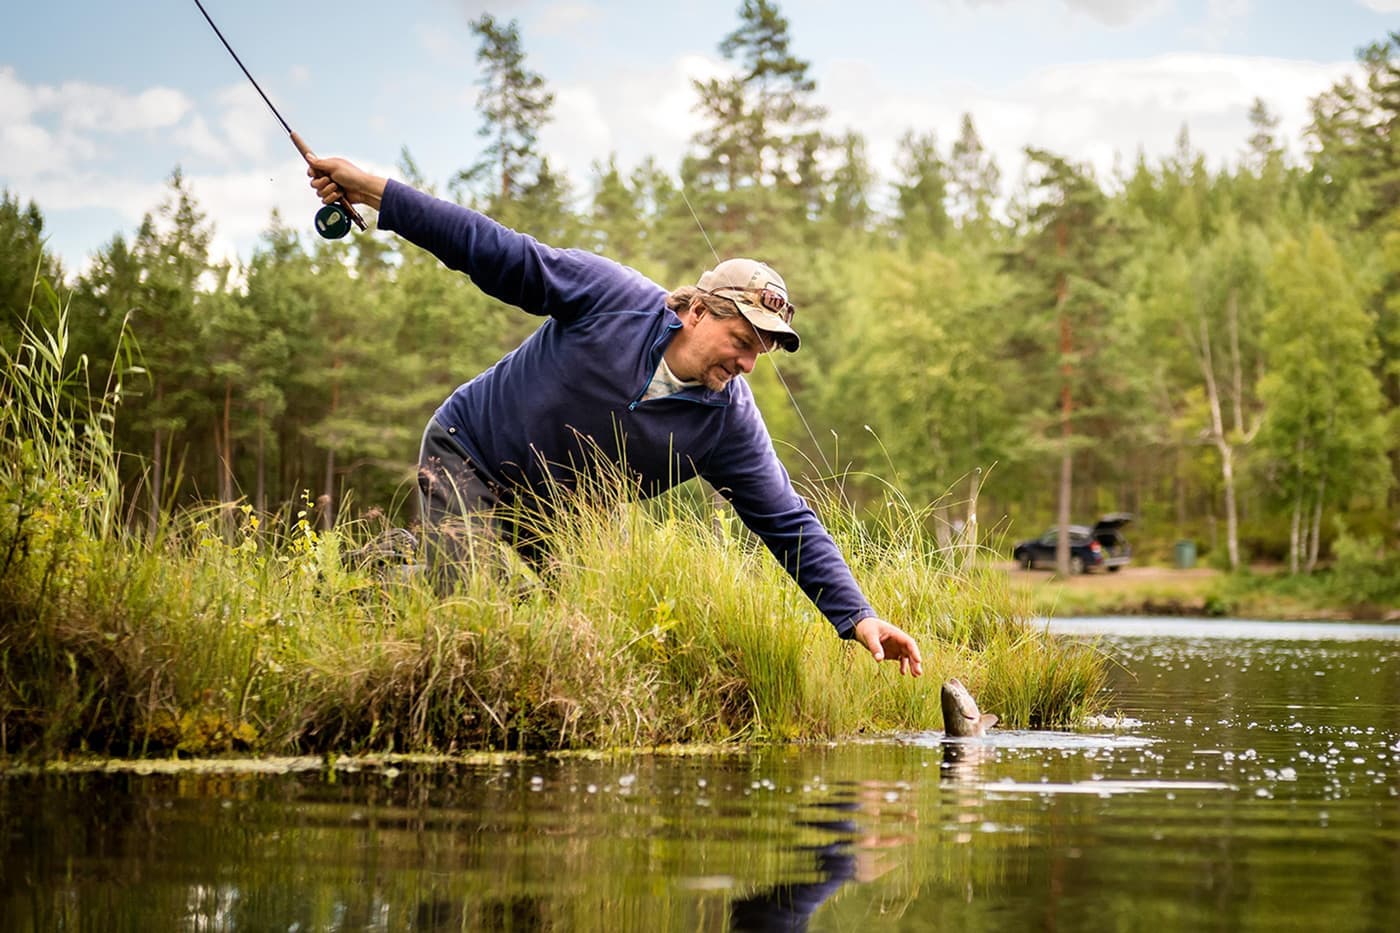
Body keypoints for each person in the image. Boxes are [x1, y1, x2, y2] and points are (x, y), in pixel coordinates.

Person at [307, 157, 923, 676]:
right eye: (742, 339)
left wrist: (859, 617)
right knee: (482, 605)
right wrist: (374, 193)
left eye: (760, 351)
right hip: (469, 451)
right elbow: (491, 249)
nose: (748, 362)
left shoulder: (727, 422)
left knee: (550, 640)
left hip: (556, 517)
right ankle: (374, 573)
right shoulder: (611, 298)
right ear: (701, 312)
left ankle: (396, 563)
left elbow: (786, 521)